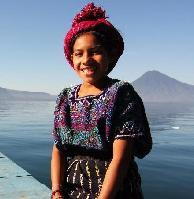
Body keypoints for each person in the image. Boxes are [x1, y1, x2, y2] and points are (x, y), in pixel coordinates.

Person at [51, 3, 152, 199]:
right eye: (79, 53)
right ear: (72, 58)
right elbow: (58, 148)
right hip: (72, 189)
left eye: (95, 51)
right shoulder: (65, 98)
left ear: (109, 55)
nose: (86, 59)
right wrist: (56, 190)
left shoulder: (121, 94)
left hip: (116, 191)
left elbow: (120, 158)